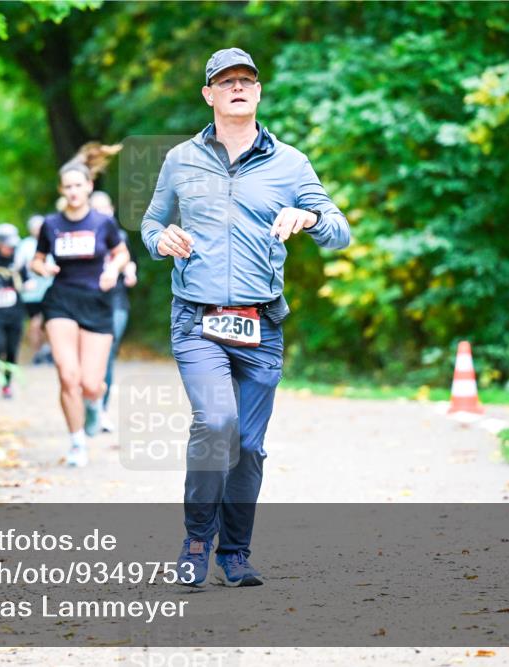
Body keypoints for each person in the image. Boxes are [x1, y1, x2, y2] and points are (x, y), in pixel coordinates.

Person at [141, 48, 351, 587]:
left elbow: (339, 228)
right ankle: (194, 540)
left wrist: (309, 217)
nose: (238, 87)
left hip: (262, 324)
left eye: (247, 80)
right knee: (216, 425)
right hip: (197, 319)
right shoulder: (180, 160)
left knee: (249, 447)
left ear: (258, 92)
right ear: (209, 94)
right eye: (225, 81)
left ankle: (234, 553)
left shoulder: (291, 163)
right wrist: (162, 239)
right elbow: (150, 224)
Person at [31, 162, 130, 468]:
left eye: (79, 185)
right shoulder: (51, 224)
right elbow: (37, 259)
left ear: (88, 186)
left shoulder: (103, 223)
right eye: (68, 186)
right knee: (67, 375)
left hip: (97, 302)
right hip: (61, 300)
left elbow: (121, 253)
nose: (74, 191)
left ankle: (94, 403)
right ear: (62, 190)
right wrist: (43, 268)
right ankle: (77, 443)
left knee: (90, 383)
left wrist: (113, 269)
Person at [89, 190, 137, 433]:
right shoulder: (84, 236)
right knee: (87, 359)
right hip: (87, 301)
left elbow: (129, 259)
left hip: (115, 301)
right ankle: (88, 405)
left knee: (106, 353)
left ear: (112, 209)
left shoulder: (119, 236)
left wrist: (130, 271)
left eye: (104, 208)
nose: (100, 213)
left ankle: (102, 409)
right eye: (94, 209)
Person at [0, 223, 29, 399]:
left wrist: (27, 285)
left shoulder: (18, 259)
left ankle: (7, 385)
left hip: (15, 310)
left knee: (11, 349)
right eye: (7, 244)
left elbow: (25, 279)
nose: (10, 248)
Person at [16, 214, 55, 365]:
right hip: (32, 293)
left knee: (51, 322)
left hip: (51, 289)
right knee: (35, 322)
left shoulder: (52, 242)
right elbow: (17, 267)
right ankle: (37, 352)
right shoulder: (25, 245)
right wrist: (23, 283)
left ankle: (50, 351)